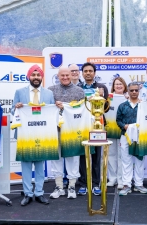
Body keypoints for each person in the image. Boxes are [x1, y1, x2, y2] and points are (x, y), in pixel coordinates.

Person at [12, 64, 55, 206]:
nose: (36, 78)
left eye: (38, 75)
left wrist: (59, 107)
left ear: (42, 77)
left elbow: (52, 112)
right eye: (33, 75)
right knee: (25, 165)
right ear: (28, 76)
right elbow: (13, 112)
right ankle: (28, 193)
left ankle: (39, 193)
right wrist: (17, 108)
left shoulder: (48, 94)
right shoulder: (19, 91)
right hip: (25, 135)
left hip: (42, 135)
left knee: (39, 165)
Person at [48, 67, 85, 199]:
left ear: (72, 75)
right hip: (54, 129)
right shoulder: (50, 90)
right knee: (56, 158)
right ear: (58, 76)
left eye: (67, 75)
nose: (64, 77)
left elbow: (83, 109)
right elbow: (44, 107)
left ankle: (71, 187)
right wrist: (53, 103)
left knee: (73, 159)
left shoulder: (79, 91)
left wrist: (68, 106)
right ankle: (59, 187)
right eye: (62, 75)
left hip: (72, 131)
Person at [77, 62, 109, 196]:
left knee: (96, 155)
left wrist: (102, 97)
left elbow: (106, 106)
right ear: (82, 73)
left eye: (90, 71)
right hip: (81, 125)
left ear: (94, 73)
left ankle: (96, 184)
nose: (88, 73)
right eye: (85, 71)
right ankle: (83, 183)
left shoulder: (102, 87)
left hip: (98, 125)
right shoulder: (77, 88)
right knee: (83, 154)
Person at [117, 82, 147, 195]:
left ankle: (139, 184)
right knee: (126, 160)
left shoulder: (144, 105)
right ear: (128, 91)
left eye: (136, 90)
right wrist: (124, 126)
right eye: (132, 90)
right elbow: (118, 120)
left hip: (141, 136)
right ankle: (126, 185)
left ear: (139, 91)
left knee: (140, 160)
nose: (134, 92)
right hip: (125, 136)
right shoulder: (122, 106)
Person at [105, 77, 128, 189]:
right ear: (113, 86)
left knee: (121, 156)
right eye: (116, 84)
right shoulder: (108, 98)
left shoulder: (127, 98)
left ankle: (121, 179)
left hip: (123, 131)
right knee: (110, 155)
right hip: (109, 130)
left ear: (124, 86)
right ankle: (112, 178)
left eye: (120, 84)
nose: (118, 86)